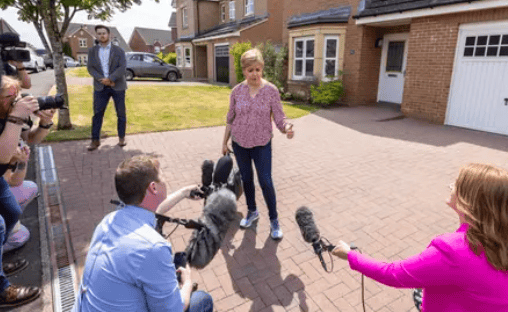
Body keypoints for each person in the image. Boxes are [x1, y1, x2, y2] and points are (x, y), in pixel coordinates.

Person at [332, 163, 508, 311]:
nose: (451, 186)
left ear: (471, 201)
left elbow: (393, 274)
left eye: (457, 184)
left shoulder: (453, 251)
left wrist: (351, 256)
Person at [72, 155, 213, 312]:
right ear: (153, 188)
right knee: (203, 300)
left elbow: (153, 209)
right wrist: (187, 282)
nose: (165, 179)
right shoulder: (153, 247)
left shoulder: (107, 222)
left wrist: (184, 192)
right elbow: (174, 310)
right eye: (162, 176)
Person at [222, 48, 294, 240]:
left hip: (262, 144)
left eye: (257, 69)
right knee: (246, 180)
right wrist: (224, 142)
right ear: (244, 71)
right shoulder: (237, 91)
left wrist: (287, 128)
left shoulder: (271, 91)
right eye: (250, 70)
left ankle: (274, 220)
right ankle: (252, 211)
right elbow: (230, 118)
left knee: (265, 181)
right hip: (239, 143)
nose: (254, 73)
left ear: (262, 69)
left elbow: (279, 118)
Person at [0, 77, 42, 307]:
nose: (16, 102)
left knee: (11, 213)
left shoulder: (6, 119)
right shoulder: (10, 119)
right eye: (10, 98)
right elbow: (3, 156)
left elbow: (29, 139)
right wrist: (16, 116)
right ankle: (2, 291)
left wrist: (44, 123)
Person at [86, 25, 127, 151]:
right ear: (96, 35)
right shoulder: (92, 51)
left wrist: (111, 79)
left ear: (109, 35)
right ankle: (95, 140)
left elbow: (122, 67)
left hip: (117, 86)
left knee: (120, 113)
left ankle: (121, 138)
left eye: (104, 33)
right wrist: (102, 80)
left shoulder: (119, 50)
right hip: (100, 87)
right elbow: (90, 68)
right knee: (97, 114)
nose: (102, 35)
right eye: (99, 33)